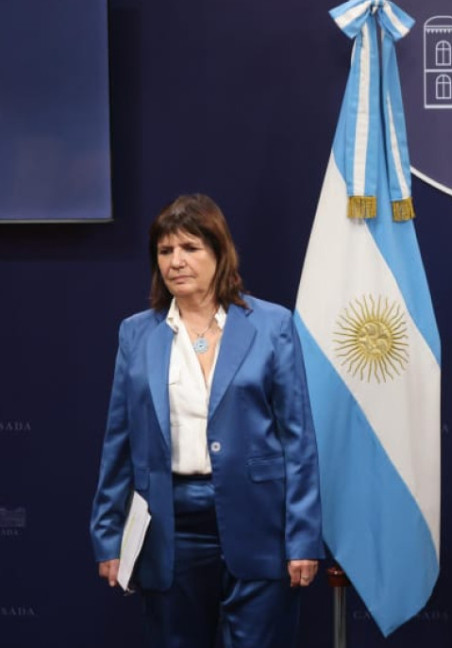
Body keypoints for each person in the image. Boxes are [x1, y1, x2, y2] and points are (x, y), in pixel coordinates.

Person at [90, 194, 323, 648]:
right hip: (169, 524)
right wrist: (107, 535)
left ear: (220, 253)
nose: (176, 261)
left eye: (190, 248)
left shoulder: (272, 325)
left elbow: (299, 442)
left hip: (259, 522)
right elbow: (118, 443)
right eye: (165, 251)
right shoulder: (136, 333)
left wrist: (303, 539)